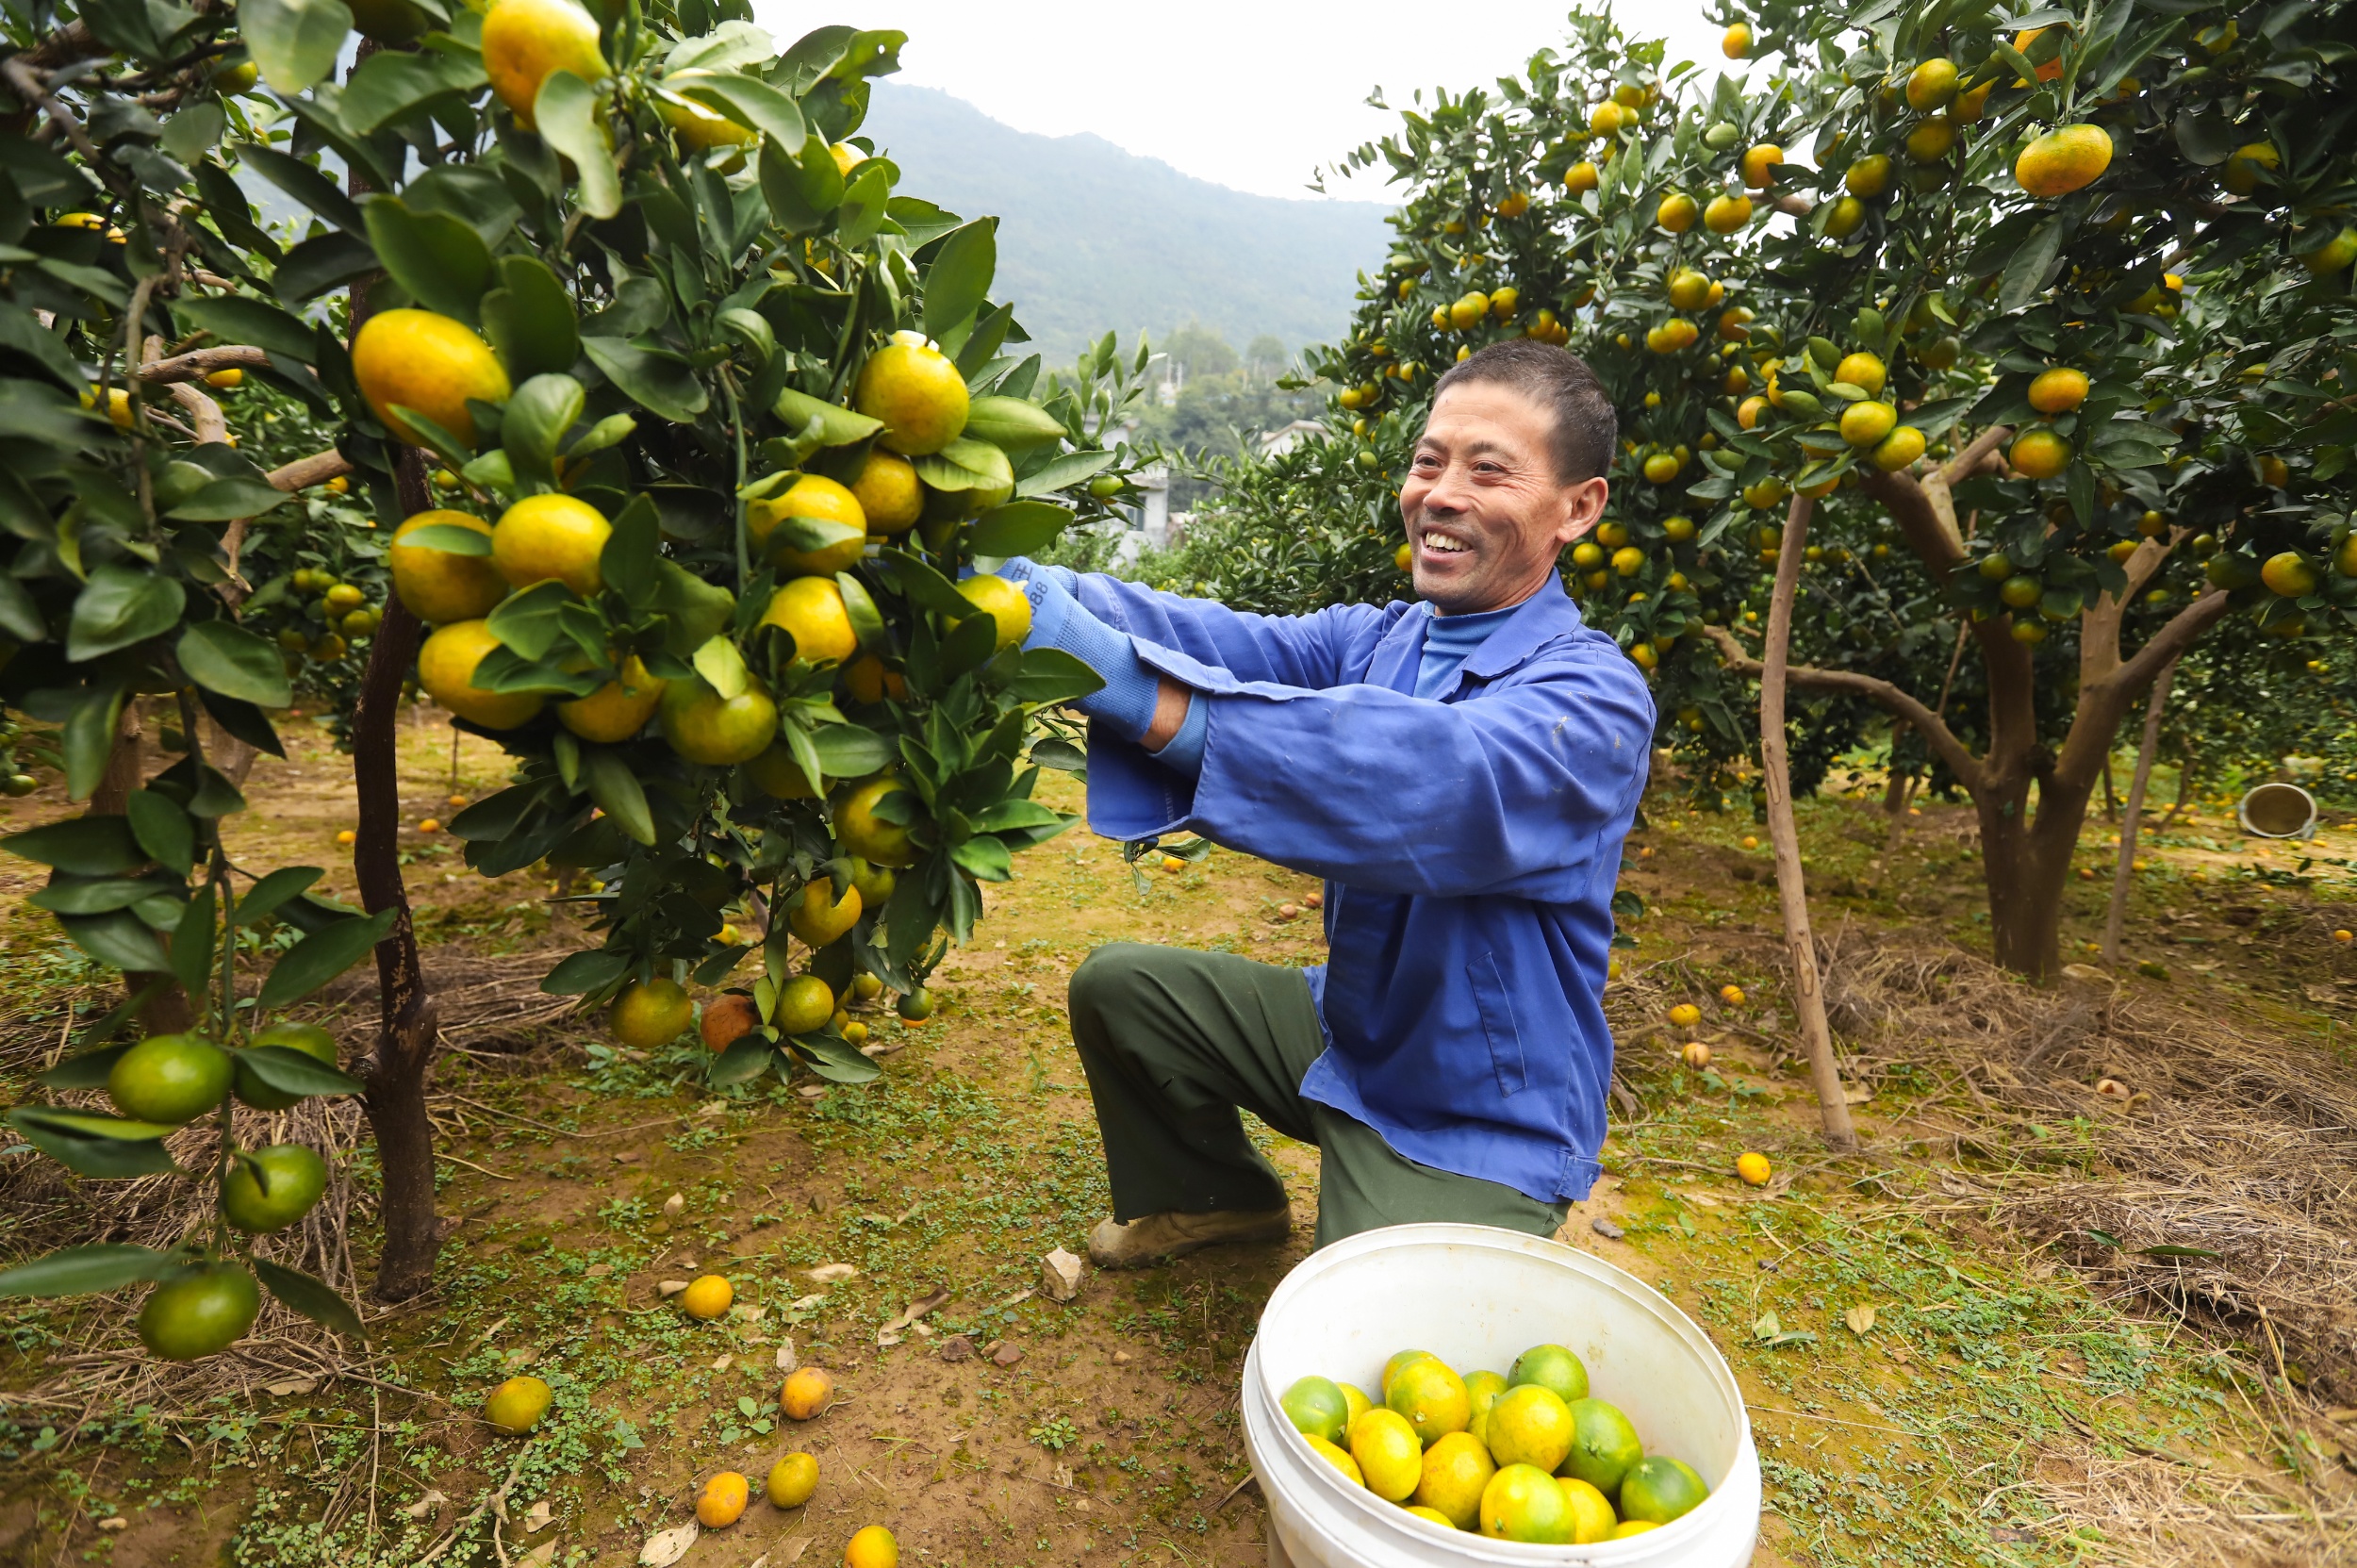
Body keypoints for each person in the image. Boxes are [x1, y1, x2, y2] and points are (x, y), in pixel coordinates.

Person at [995, 338, 1654, 1266]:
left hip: (1475, 1110)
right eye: (1428, 462)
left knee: (1358, 1349)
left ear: (1578, 508)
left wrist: (1142, 700)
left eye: (1488, 470)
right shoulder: (1374, 640)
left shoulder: (1593, 702)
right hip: (1352, 1029)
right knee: (1123, 992)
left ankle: (1477, 1216)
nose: (1442, 492)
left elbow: (1428, 779)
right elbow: (1209, 638)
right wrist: (1037, 596)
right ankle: (1218, 1198)